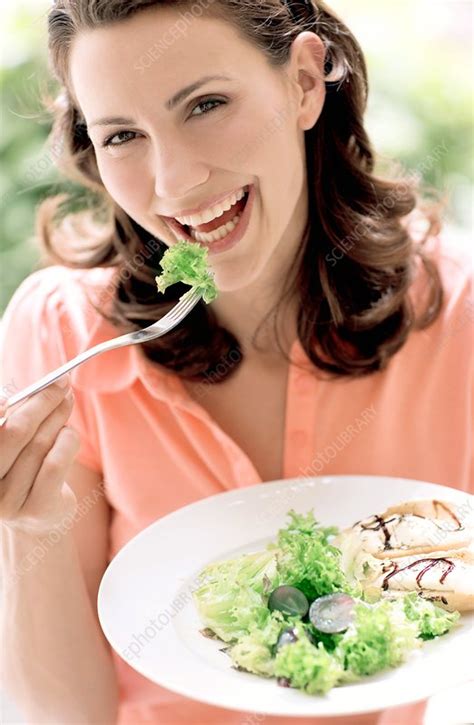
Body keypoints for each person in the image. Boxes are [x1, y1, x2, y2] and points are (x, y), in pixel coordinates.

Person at [0, 1, 472, 723]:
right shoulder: (63, 337)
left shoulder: (458, 311)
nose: (175, 182)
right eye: (123, 134)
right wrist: (31, 530)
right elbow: (65, 714)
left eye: (206, 104)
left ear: (305, 83)